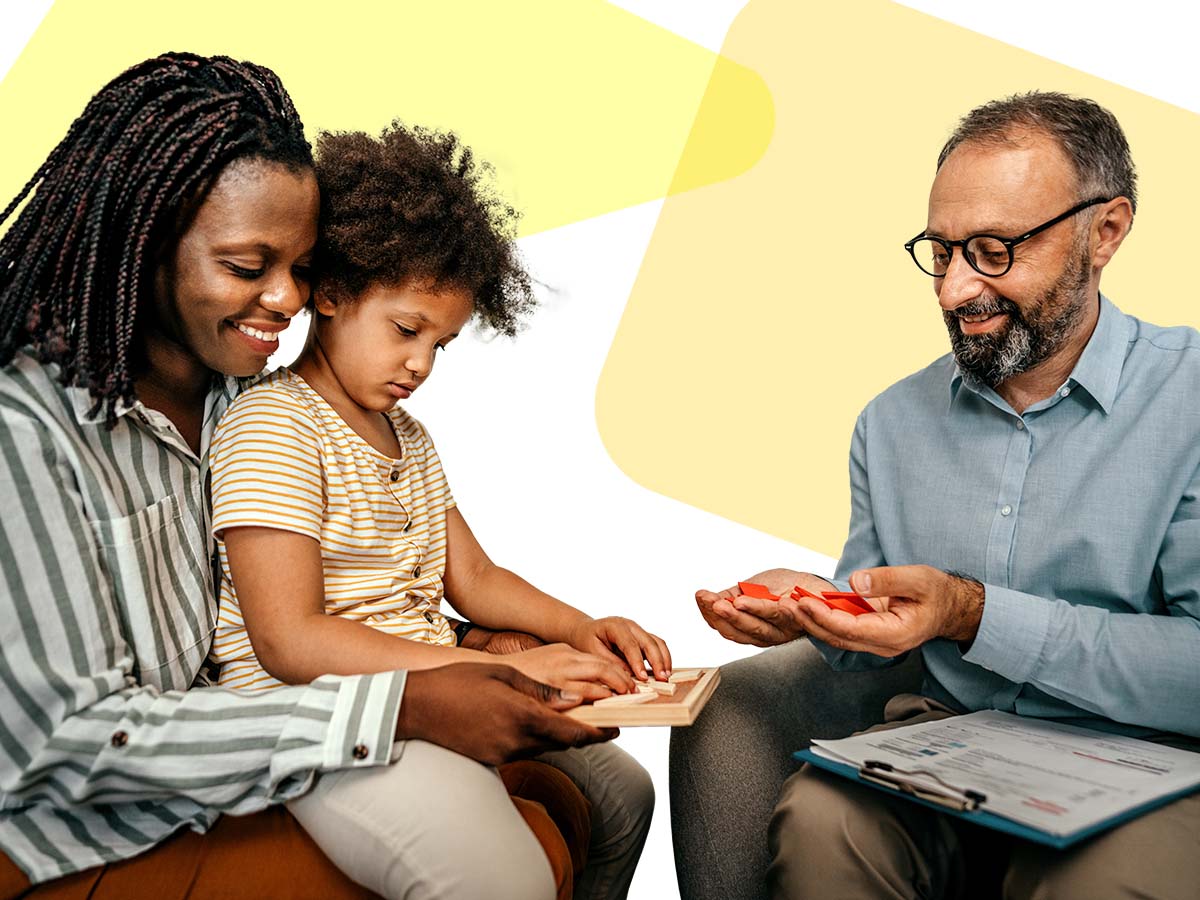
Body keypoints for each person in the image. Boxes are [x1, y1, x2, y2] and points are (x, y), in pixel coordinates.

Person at [0, 52, 615, 900]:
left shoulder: (236, 390)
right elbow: (70, 740)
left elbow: (397, 575)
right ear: (141, 246)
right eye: (250, 268)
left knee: (593, 794)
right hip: (97, 829)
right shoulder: (25, 434)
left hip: (257, 753)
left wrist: (482, 647)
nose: (289, 300)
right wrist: (409, 699)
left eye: (302, 267)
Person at [676, 92, 1200, 899]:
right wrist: (819, 611)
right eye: (942, 250)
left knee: (1098, 882)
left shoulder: (1190, 398)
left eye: (994, 251)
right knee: (823, 824)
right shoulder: (889, 424)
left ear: (1106, 232)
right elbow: (882, 623)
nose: (954, 291)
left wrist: (974, 612)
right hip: (949, 749)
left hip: (1154, 764)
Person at [206, 121, 663, 899]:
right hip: (316, 720)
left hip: (426, 688)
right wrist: (498, 670)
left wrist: (581, 630)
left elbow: (474, 577)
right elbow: (288, 640)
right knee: (501, 876)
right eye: (406, 330)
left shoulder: (406, 436)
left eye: (440, 344)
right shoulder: (274, 425)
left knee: (624, 792)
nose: (420, 363)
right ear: (333, 293)